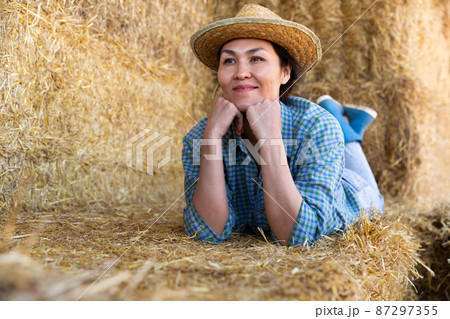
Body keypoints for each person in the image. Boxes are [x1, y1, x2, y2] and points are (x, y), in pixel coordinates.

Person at [182, 4, 384, 246]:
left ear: (284, 73)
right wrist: (212, 139)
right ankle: (346, 119)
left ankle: (345, 126)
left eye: (256, 58)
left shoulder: (316, 126)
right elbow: (206, 233)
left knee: (373, 195)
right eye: (229, 61)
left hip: (355, 194)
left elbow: (297, 236)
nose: (241, 72)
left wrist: (270, 139)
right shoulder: (199, 136)